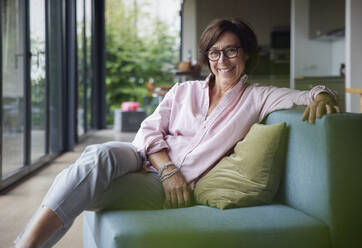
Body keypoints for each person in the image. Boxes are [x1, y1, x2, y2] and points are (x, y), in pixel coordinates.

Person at [14, 18, 340, 248]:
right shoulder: (184, 91)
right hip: (143, 158)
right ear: (206, 56)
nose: (222, 60)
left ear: (247, 54)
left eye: (231, 50)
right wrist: (167, 168)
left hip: (169, 190)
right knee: (98, 155)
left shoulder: (258, 97)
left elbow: (307, 95)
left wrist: (324, 95)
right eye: (214, 52)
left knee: (80, 184)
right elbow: (148, 131)